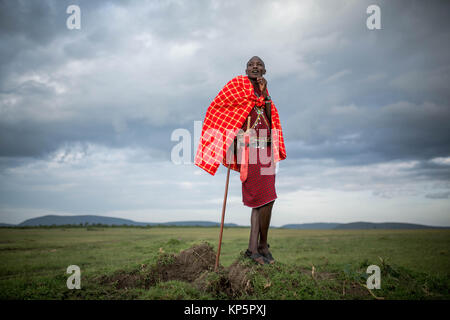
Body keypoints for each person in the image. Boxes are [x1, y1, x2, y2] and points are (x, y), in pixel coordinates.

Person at [194, 56, 286, 266]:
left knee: (264, 201)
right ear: (246, 69)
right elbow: (219, 108)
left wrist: (265, 95)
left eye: (259, 64)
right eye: (251, 64)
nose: (255, 66)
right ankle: (261, 246)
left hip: (267, 149)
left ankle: (254, 249)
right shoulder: (237, 85)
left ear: (265, 70)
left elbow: (271, 120)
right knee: (265, 198)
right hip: (250, 150)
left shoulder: (265, 94)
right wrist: (231, 138)